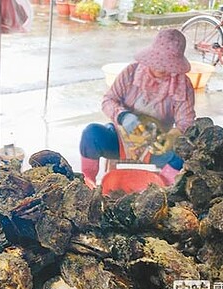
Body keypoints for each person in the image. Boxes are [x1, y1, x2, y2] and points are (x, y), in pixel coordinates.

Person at [79, 28, 196, 188]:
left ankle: (162, 187)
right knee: (91, 133)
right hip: (121, 139)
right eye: (158, 62)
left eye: (167, 65)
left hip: (155, 146)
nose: (160, 69)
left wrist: (170, 137)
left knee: (189, 150)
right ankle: (88, 182)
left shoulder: (183, 85)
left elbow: (186, 123)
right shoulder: (131, 72)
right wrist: (124, 116)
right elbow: (108, 101)